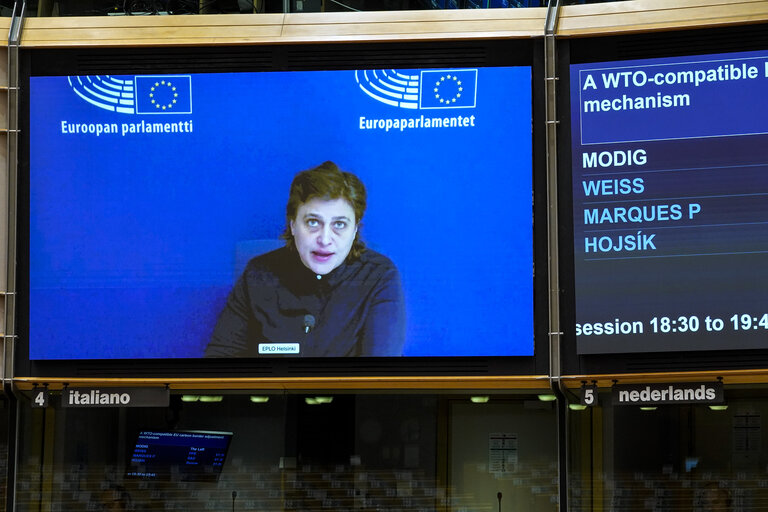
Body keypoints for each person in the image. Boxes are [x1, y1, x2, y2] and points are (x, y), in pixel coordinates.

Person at [206, 161, 406, 357]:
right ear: (293, 225)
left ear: (355, 230)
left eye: (339, 224)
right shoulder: (258, 274)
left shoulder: (378, 276)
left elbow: (380, 377)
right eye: (312, 222)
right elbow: (220, 361)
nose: (325, 239)